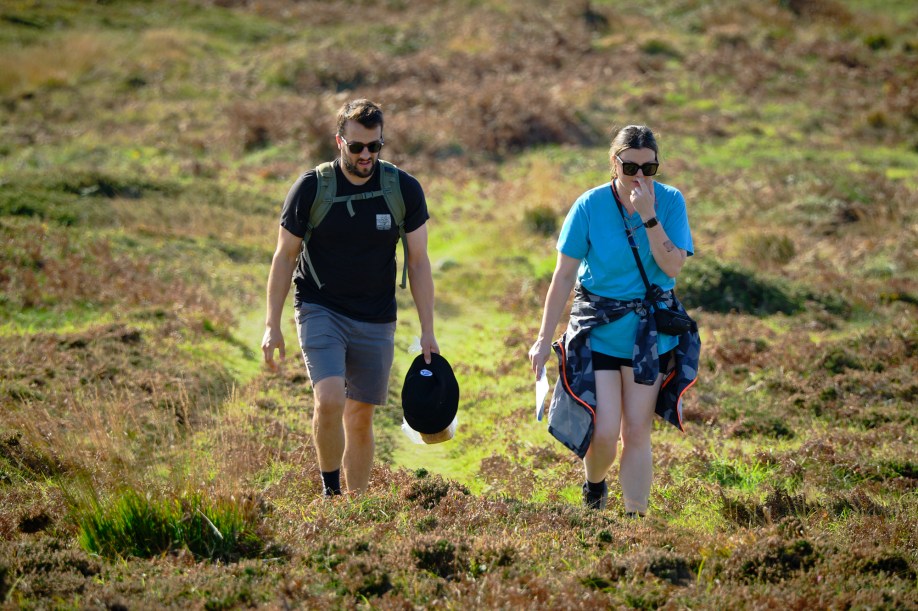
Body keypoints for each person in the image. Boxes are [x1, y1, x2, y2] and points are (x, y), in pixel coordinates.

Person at [262, 99, 438, 497]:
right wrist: (272, 325)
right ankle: (331, 493)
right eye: (356, 146)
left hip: (376, 315)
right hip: (320, 306)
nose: (365, 155)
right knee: (329, 400)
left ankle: (356, 507)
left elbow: (419, 261)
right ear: (339, 141)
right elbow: (285, 255)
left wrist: (427, 330)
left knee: (360, 417)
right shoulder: (311, 187)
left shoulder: (402, 189)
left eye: (374, 146)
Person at [528, 125, 694, 515]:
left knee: (636, 431)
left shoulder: (670, 201)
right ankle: (595, 484)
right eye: (630, 167)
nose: (639, 176)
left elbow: (673, 265)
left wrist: (650, 217)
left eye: (649, 168)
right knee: (603, 433)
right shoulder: (589, 205)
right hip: (599, 331)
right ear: (613, 163)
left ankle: (635, 522)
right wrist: (543, 338)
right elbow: (563, 276)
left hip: (648, 335)